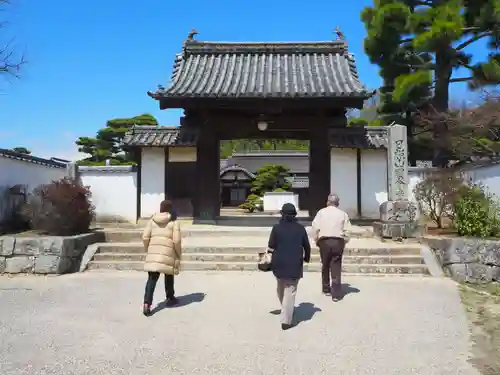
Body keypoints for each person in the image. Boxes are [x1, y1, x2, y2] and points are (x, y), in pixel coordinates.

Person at [267, 203, 311, 330]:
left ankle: (286, 309)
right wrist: (306, 258)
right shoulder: (300, 229)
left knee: (281, 287)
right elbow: (306, 246)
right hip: (294, 262)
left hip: (279, 262)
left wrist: (268, 258)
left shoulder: (276, 228)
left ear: (282, 214)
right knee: (290, 290)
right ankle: (286, 320)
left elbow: (271, 244)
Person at [141, 199, 182, 316]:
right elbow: (177, 240)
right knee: (169, 275)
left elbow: (145, 237)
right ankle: (170, 298)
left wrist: (148, 249)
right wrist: (178, 253)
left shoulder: (152, 221)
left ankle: (146, 304)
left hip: (153, 253)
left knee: (151, 279)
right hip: (168, 253)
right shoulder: (174, 222)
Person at [311, 193, 351, 302]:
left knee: (325, 265)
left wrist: (316, 240)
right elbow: (347, 230)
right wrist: (344, 241)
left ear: (328, 202)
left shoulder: (321, 212)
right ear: (337, 203)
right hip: (338, 241)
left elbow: (315, 227)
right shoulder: (343, 214)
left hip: (324, 241)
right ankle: (336, 294)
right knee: (336, 266)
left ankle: (326, 289)